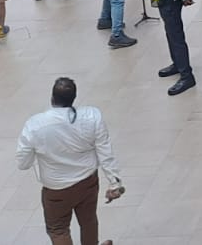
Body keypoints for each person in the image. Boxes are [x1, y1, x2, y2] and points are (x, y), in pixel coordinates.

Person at [15, 77, 123, 245]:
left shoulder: (35, 125)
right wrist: (114, 183)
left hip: (56, 189)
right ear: (74, 97)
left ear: (52, 98)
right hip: (88, 181)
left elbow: (23, 163)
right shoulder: (93, 116)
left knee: (58, 229)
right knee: (88, 221)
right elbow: (104, 150)